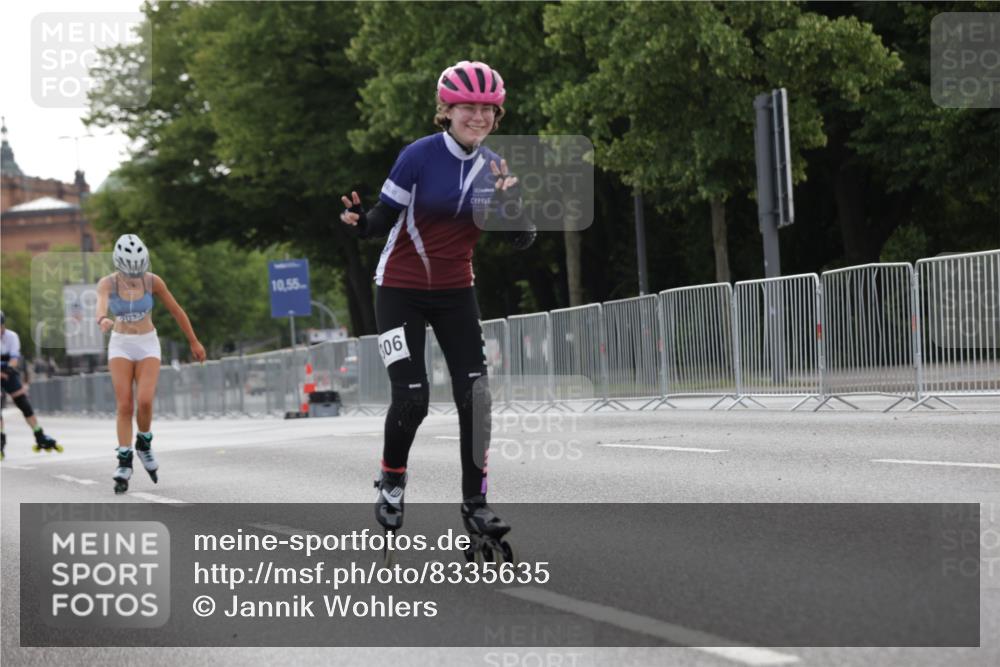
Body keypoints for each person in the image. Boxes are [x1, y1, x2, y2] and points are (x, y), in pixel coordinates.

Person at [339, 60, 535, 551]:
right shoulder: (418, 157)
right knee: (412, 398)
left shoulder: (494, 167)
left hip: (455, 291)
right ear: (445, 110)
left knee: (477, 398)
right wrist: (361, 222)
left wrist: (513, 209)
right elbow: (384, 217)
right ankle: (392, 478)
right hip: (399, 288)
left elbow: (520, 239)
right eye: (467, 107)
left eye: (488, 109)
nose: (478, 116)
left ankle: (476, 501)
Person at [95, 234, 206, 494]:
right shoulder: (107, 284)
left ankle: (144, 443)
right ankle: (124, 459)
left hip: (147, 343)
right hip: (121, 343)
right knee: (125, 403)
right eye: (128, 272)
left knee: (144, 401)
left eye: (139, 271)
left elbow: (177, 311)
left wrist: (194, 342)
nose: (134, 277)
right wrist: (102, 320)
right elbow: (100, 307)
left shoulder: (153, 282)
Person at [0, 311, 60, 459]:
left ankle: (39, 435)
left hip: (8, 371)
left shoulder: (11, 336)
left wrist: (8, 369)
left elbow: (15, 359)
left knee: (24, 403)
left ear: (3, 326)